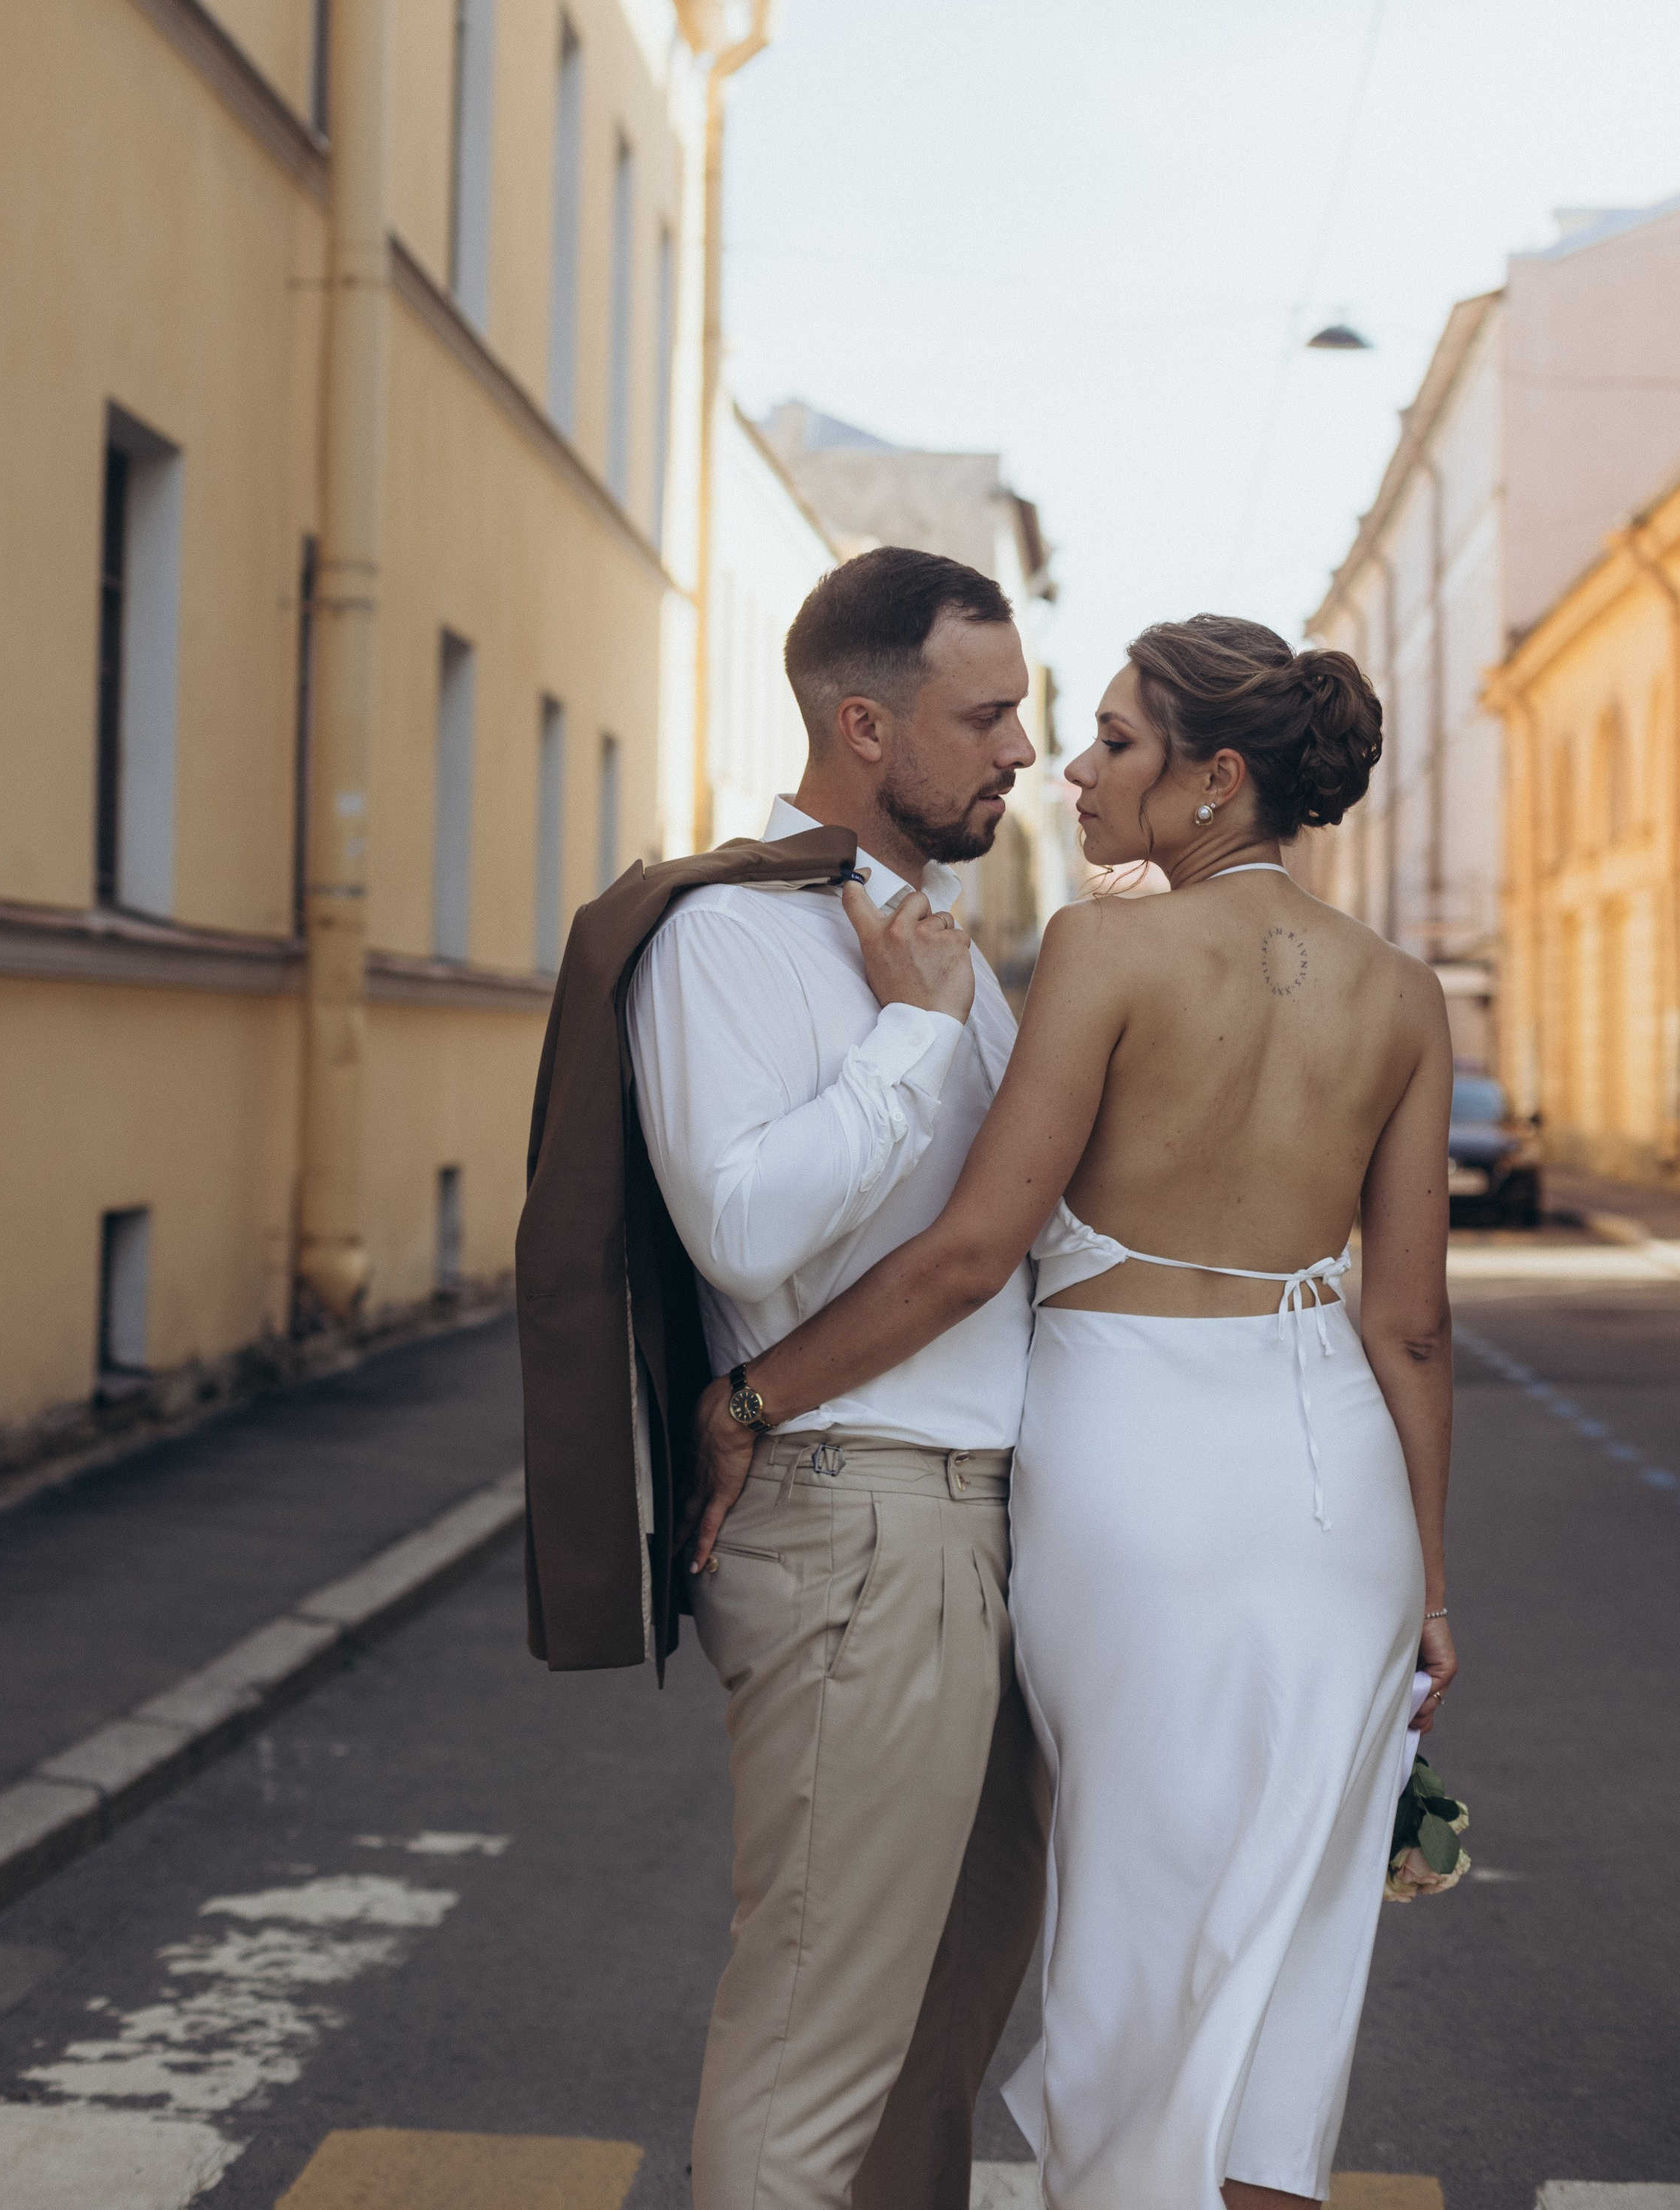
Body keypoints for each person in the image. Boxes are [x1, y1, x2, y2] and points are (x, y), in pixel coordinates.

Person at [688, 614, 1460, 2210]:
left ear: (1215, 775)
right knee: (1286, 1965)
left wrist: (754, 1394)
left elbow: (972, 1253)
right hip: (1342, 1508)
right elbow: (1409, 1325)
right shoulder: (1403, 994)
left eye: (1115, 742)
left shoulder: (1105, 954)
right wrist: (1432, 1589)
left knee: (1128, 1917)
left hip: (1135, 1488)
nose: (1076, 772)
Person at [626, 547, 1052, 2210]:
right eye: (985, 715)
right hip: (861, 1526)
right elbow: (740, 1230)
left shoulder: (943, 950)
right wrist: (912, 1038)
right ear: (865, 726)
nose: (1020, 748)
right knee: (815, 2048)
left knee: (934, 2043)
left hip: (984, 1527)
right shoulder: (726, 935)